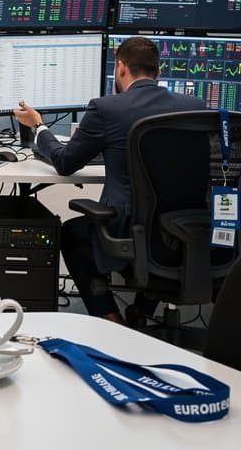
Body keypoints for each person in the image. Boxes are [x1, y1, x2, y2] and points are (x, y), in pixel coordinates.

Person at [13, 36, 205, 324]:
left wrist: (38, 126)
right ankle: (141, 311)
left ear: (121, 68)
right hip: (183, 232)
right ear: (159, 72)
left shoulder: (106, 108)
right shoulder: (196, 107)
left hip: (127, 229)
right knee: (154, 241)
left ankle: (110, 318)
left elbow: (65, 163)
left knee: (71, 233)